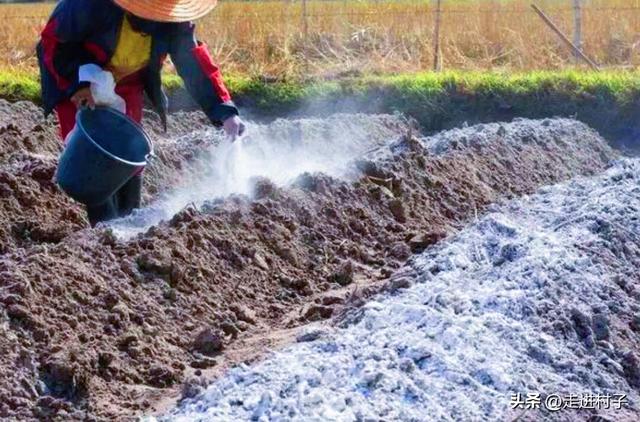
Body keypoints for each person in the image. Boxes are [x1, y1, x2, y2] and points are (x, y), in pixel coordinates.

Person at [37, 0, 245, 226]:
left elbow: (192, 61)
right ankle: (104, 233)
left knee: (130, 155)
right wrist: (78, 85)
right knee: (94, 157)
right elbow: (55, 42)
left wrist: (225, 111)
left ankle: (129, 226)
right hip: (77, 80)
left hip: (127, 83)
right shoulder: (87, 5)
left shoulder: (173, 19)